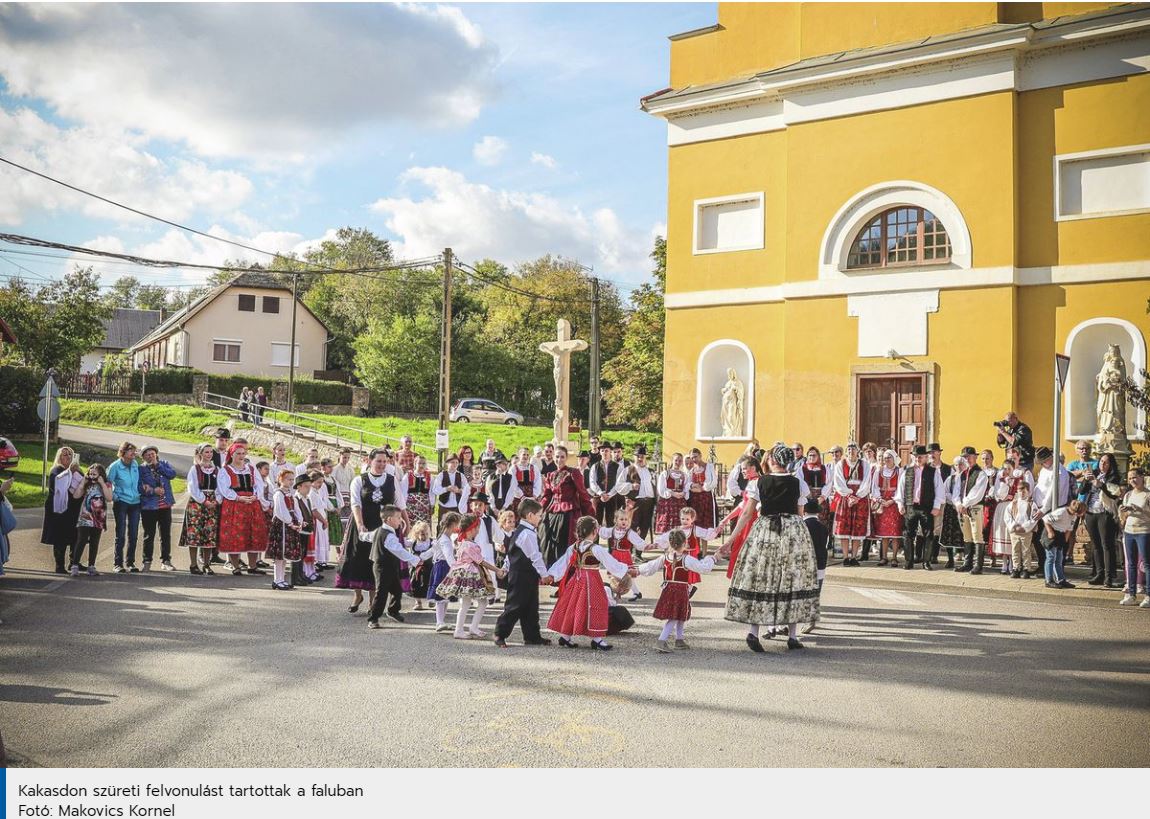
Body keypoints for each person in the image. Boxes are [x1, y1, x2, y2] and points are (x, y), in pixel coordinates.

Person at [719, 445, 818, 652]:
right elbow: (800, 513)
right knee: (792, 580)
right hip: (793, 532)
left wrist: (730, 540)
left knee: (761, 579)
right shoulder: (798, 483)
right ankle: (792, 636)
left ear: (772, 460)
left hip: (766, 530)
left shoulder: (758, 482)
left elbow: (746, 514)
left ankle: (753, 633)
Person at [547, 515, 637, 650]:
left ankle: (565, 637)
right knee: (597, 606)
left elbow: (563, 562)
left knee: (574, 606)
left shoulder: (574, 546)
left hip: (576, 580)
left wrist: (552, 575)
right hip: (591, 580)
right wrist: (626, 570)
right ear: (594, 532)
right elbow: (610, 563)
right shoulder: (596, 548)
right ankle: (597, 639)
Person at [336, 448, 396, 612]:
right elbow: (356, 504)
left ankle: (372, 602)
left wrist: (404, 522)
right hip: (362, 524)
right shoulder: (359, 480)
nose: (382, 464)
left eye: (385, 461)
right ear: (370, 461)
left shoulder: (391, 480)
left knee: (375, 562)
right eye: (379, 461)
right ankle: (357, 595)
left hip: (382, 525)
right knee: (356, 559)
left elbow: (399, 503)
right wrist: (360, 524)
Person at [636, 528, 716, 653]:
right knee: (674, 616)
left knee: (679, 614)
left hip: (668, 589)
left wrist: (637, 570)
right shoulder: (686, 559)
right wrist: (713, 558)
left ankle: (679, 640)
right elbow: (703, 568)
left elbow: (650, 566)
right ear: (684, 543)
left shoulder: (665, 557)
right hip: (680, 591)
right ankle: (661, 641)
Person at [494, 499, 555, 648]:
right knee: (515, 605)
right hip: (520, 574)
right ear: (529, 515)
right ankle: (500, 633)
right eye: (539, 515)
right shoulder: (526, 534)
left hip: (528, 574)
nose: (540, 518)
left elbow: (510, 554)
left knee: (531, 606)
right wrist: (544, 574)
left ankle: (532, 636)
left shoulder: (522, 531)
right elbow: (535, 556)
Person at [435, 514, 506, 639]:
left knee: (480, 602)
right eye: (477, 527)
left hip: (470, 574)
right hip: (469, 576)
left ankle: (472, 627)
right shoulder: (469, 545)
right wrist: (497, 570)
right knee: (469, 604)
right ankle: (459, 630)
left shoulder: (464, 542)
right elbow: (481, 561)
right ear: (472, 529)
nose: (478, 530)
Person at [216, 442, 270, 577]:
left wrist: (255, 496)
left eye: (243, 453)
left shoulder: (251, 469)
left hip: (252, 504)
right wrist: (238, 498)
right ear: (232, 455)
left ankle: (252, 566)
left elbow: (258, 485)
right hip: (234, 505)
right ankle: (235, 566)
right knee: (235, 534)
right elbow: (224, 489)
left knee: (254, 534)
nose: (241, 456)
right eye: (238, 453)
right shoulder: (226, 470)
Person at [366, 505, 423, 630]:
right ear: (389, 519)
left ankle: (393, 611)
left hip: (390, 567)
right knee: (381, 593)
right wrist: (416, 560)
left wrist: (361, 535)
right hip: (382, 568)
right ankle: (373, 618)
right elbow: (399, 551)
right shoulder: (389, 536)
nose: (400, 520)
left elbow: (367, 536)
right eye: (398, 517)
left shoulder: (380, 531)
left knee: (397, 590)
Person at [538, 445, 596, 567]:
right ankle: (551, 573)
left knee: (566, 545)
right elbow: (547, 496)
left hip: (569, 513)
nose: (559, 459)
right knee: (547, 540)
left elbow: (583, 493)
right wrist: (538, 511)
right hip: (553, 512)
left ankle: (567, 573)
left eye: (562, 457)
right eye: (557, 457)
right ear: (553, 457)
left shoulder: (573, 473)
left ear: (566, 458)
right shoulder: (550, 475)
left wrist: (590, 514)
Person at [895, 445, 944, 570]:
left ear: (926, 457)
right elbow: (900, 489)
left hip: (926, 507)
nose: (918, 458)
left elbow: (939, 490)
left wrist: (936, 506)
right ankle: (908, 561)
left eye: (920, 456)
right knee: (908, 534)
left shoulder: (933, 472)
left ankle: (926, 561)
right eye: (916, 456)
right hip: (910, 506)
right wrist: (900, 504)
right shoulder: (906, 470)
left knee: (928, 534)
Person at [1082, 453, 1122, 587]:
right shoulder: (1093, 473)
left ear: (1111, 465)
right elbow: (1082, 491)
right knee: (1096, 545)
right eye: (1101, 462)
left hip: (1105, 513)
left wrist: (1101, 485)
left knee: (1107, 545)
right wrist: (1085, 480)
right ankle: (1099, 573)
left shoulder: (1114, 477)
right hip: (1091, 512)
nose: (1102, 465)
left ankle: (1109, 577)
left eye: (1106, 463)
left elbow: (1113, 494)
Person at [42, 447, 84, 574]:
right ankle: (59, 565)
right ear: (59, 457)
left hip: (74, 508)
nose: (67, 457)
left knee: (75, 535)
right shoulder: (56, 470)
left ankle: (74, 562)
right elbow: (58, 486)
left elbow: (84, 484)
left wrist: (78, 473)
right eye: (64, 455)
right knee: (60, 537)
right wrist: (69, 472)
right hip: (59, 509)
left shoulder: (77, 470)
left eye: (70, 455)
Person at [954, 446, 995, 575]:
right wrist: (958, 504)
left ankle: (978, 565)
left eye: (969, 456)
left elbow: (977, 493)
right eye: (965, 457)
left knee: (977, 535)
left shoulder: (981, 474)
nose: (967, 459)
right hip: (963, 509)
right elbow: (956, 492)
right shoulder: (962, 474)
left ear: (975, 457)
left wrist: (964, 504)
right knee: (967, 536)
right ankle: (967, 563)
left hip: (976, 507)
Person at [181, 444, 220, 576]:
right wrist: (204, 500)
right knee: (194, 533)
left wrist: (216, 500)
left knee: (209, 534)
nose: (209, 454)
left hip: (212, 502)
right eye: (206, 452)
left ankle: (207, 564)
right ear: (200, 453)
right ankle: (193, 564)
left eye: (210, 452)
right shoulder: (195, 469)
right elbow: (192, 488)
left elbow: (221, 487)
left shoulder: (216, 470)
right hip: (197, 504)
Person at [68, 464, 113, 577]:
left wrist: (102, 483)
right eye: (90, 474)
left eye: (95, 475)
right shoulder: (86, 484)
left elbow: (109, 498)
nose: (92, 477)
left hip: (99, 517)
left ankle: (91, 566)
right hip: (85, 516)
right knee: (81, 540)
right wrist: (83, 482)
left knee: (94, 541)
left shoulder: (106, 484)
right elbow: (76, 496)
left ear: (101, 475)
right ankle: (74, 565)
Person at [138, 445, 177, 572]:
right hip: (149, 506)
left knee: (165, 535)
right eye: (147, 454)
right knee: (149, 535)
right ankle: (147, 561)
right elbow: (139, 486)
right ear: (143, 457)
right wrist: (153, 491)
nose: (151, 456)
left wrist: (158, 465)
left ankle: (166, 560)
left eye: (153, 453)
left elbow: (172, 475)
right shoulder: (141, 469)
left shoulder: (164, 464)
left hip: (165, 505)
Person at [990, 457, 1034, 567]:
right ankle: (1004, 563)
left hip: (1013, 507)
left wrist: (1010, 496)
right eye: (1004, 468)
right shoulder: (1000, 480)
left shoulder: (1018, 480)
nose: (1006, 471)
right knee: (1002, 534)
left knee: (1011, 535)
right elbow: (997, 494)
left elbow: (1019, 496)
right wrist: (1003, 491)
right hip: (1001, 508)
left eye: (1009, 468)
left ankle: (1013, 564)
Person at [832, 443, 871, 566]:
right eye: (849, 449)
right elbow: (838, 482)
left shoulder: (865, 464)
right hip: (845, 498)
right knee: (844, 527)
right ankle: (845, 557)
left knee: (857, 528)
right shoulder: (840, 464)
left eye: (853, 449)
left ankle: (854, 556)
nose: (851, 451)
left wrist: (858, 496)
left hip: (860, 499)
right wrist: (848, 495)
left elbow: (867, 481)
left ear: (858, 451)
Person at [267, 470, 306, 591]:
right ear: (281, 480)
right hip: (282, 525)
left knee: (284, 555)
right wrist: (290, 522)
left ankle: (281, 579)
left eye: (292, 479)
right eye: (288, 479)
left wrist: (299, 521)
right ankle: (277, 580)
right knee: (280, 554)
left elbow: (296, 508)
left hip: (289, 524)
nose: (291, 481)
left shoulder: (290, 493)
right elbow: (280, 511)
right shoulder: (278, 494)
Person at [106, 441, 142, 573]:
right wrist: (115, 496)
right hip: (121, 502)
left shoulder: (135, 464)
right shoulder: (115, 466)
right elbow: (108, 483)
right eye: (131, 450)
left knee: (133, 534)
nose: (134, 453)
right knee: (120, 533)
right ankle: (117, 563)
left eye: (135, 450)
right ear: (123, 452)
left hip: (136, 502)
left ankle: (130, 562)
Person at [423, 511, 461, 631]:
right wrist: (456, 568)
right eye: (458, 524)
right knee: (441, 596)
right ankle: (439, 622)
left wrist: (420, 558)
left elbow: (431, 551)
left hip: (442, 566)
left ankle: (441, 621)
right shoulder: (444, 539)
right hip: (443, 567)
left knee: (445, 597)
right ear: (454, 524)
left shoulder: (443, 537)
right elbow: (448, 556)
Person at [600, 507, 646, 603]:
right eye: (621, 519)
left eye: (626, 519)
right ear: (616, 520)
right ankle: (625, 593)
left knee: (627, 575)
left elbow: (638, 542)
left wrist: (646, 546)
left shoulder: (629, 532)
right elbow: (603, 532)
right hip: (615, 555)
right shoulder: (612, 530)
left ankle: (633, 592)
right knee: (615, 576)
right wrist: (596, 527)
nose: (624, 521)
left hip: (625, 555)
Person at [1119, 469, 1150, 607]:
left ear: (1142, 477)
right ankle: (1131, 594)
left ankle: (1148, 596)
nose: (1133, 480)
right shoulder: (1128, 495)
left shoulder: (1147, 495)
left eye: (1135, 477)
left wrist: (1139, 509)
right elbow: (1123, 518)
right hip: (1129, 531)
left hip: (1144, 531)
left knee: (1147, 564)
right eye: (1130, 478)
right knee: (1131, 564)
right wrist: (1123, 512)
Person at [869, 449, 904, 567]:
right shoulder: (878, 471)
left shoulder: (899, 472)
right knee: (884, 534)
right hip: (882, 504)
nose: (886, 460)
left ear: (894, 459)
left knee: (895, 534)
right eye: (885, 458)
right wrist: (879, 499)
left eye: (889, 458)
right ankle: (884, 557)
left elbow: (901, 488)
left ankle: (894, 557)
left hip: (894, 504)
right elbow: (874, 487)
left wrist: (892, 500)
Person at [1040, 500, 1085, 589]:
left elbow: (1069, 529)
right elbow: (1045, 519)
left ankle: (1061, 579)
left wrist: (1065, 541)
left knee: (1059, 559)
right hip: (1052, 533)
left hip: (1060, 535)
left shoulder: (1074, 516)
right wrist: (1050, 532)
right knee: (1051, 557)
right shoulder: (1061, 512)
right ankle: (1049, 580)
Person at [801, 498, 830, 634]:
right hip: (821, 563)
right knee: (816, 592)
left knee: (803, 592)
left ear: (804, 511)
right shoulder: (824, 527)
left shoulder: (802, 526)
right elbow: (825, 545)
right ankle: (812, 618)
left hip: (806, 563)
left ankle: (806, 619)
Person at [1004, 482, 1040, 579]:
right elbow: (1007, 516)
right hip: (1015, 531)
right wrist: (1013, 526)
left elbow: (1034, 518)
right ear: (1017, 491)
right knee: (1015, 550)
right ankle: (1016, 568)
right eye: (1020, 491)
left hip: (1026, 532)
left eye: (1024, 491)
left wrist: (1025, 527)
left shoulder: (1032, 504)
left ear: (1028, 491)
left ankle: (1026, 569)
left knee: (1026, 550)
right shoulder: (1013, 503)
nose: (1022, 493)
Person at [625, 445, 657, 541]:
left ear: (645, 457)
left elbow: (656, 486)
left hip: (649, 502)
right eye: (638, 456)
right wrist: (631, 486)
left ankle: (638, 552)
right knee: (633, 526)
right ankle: (631, 551)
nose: (640, 458)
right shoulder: (629, 469)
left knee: (645, 526)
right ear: (634, 457)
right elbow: (619, 485)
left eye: (642, 456)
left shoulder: (651, 471)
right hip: (635, 502)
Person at [655, 453, 690, 535]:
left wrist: (684, 493)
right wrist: (672, 493)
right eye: (676, 460)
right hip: (668, 503)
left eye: (680, 461)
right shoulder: (665, 474)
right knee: (667, 527)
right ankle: (666, 546)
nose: (678, 462)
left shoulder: (684, 475)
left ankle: (677, 546)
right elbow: (661, 489)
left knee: (679, 526)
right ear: (672, 460)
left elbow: (686, 488)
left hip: (680, 503)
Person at [589, 443, 623, 526]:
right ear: (600, 452)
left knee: (611, 521)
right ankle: (595, 539)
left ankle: (611, 539)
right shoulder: (595, 466)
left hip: (611, 497)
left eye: (606, 450)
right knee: (596, 522)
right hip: (598, 497)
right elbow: (592, 482)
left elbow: (619, 483)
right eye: (602, 451)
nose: (604, 452)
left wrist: (610, 494)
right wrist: (601, 493)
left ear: (610, 452)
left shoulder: (617, 466)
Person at [686, 448, 718, 530]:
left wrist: (703, 489)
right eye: (692, 458)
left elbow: (713, 482)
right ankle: (696, 542)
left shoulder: (709, 467)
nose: (694, 459)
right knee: (695, 522)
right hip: (694, 499)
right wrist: (693, 485)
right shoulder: (691, 470)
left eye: (695, 457)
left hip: (706, 498)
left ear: (700, 455)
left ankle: (704, 542)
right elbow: (687, 483)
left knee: (705, 524)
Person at [433, 455, 470, 521]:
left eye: (456, 462)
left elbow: (467, 490)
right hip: (444, 506)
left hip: (457, 506)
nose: (455, 464)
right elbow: (435, 490)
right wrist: (447, 488)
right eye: (452, 462)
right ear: (447, 463)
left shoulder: (461, 476)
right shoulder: (441, 475)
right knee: (442, 526)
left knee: (457, 527)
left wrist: (458, 490)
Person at [405, 520, 434, 607]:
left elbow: (437, 547)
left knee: (430, 584)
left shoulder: (431, 542)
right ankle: (418, 602)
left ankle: (431, 600)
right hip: (416, 569)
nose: (425, 536)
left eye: (426, 534)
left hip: (429, 568)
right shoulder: (413, 543)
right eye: (422, 534)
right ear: (417, 534)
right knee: (415, 584)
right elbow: (403, 543)